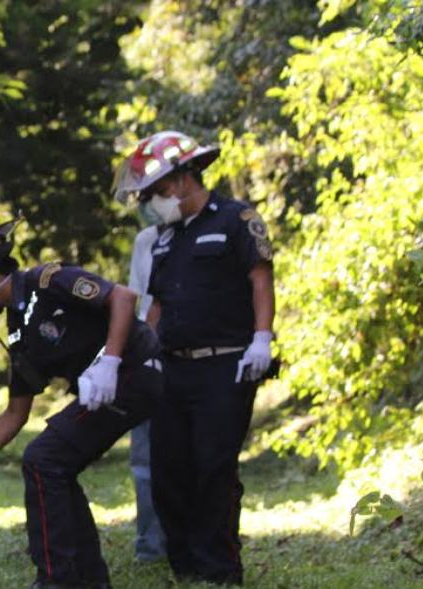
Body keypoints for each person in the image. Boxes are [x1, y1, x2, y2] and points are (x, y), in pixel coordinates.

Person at [0, 217, 163, 589]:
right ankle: (88, 579)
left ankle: (56, 580)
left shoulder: (48, 281)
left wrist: (110, 362)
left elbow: (124, 298)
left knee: (43, 458)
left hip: (136, 371)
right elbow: (16, 411)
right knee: (54, 464)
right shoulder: (18, 333)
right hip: (110, 388)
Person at [113, 131, 276, 585]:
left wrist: (262, 339)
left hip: (225, 365)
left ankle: (218, 566)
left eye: (158, 191)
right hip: (172, 367)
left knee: (213, 467)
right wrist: (142, 355)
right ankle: (184, 563)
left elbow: (260, 280)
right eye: (147, 196)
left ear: (186, 178)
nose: (153, 203)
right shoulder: (166, 238)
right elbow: (157, 305)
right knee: (168, 469)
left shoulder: (236, 219)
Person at [125, 203, 167, 563]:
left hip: (196, 357)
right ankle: (150, 546)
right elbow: (141, 303)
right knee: (145, 460)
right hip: (150, 356)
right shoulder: (145, 241)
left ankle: (195, 543)